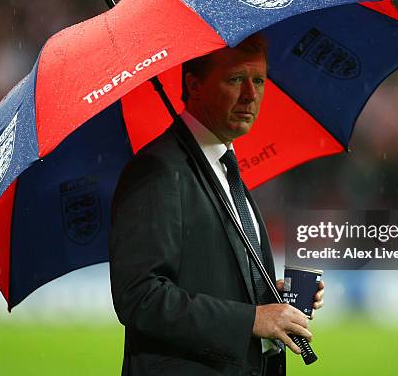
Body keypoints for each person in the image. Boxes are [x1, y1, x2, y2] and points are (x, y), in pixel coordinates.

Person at [110, 34, 324, 376]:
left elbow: (208, 274)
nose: (251, 95)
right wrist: (252, 319)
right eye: (236, 79)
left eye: (258, 81)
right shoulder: (157, 169)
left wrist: (267, 293)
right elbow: (140, 297)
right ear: (194, 87)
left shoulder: (223, 165)